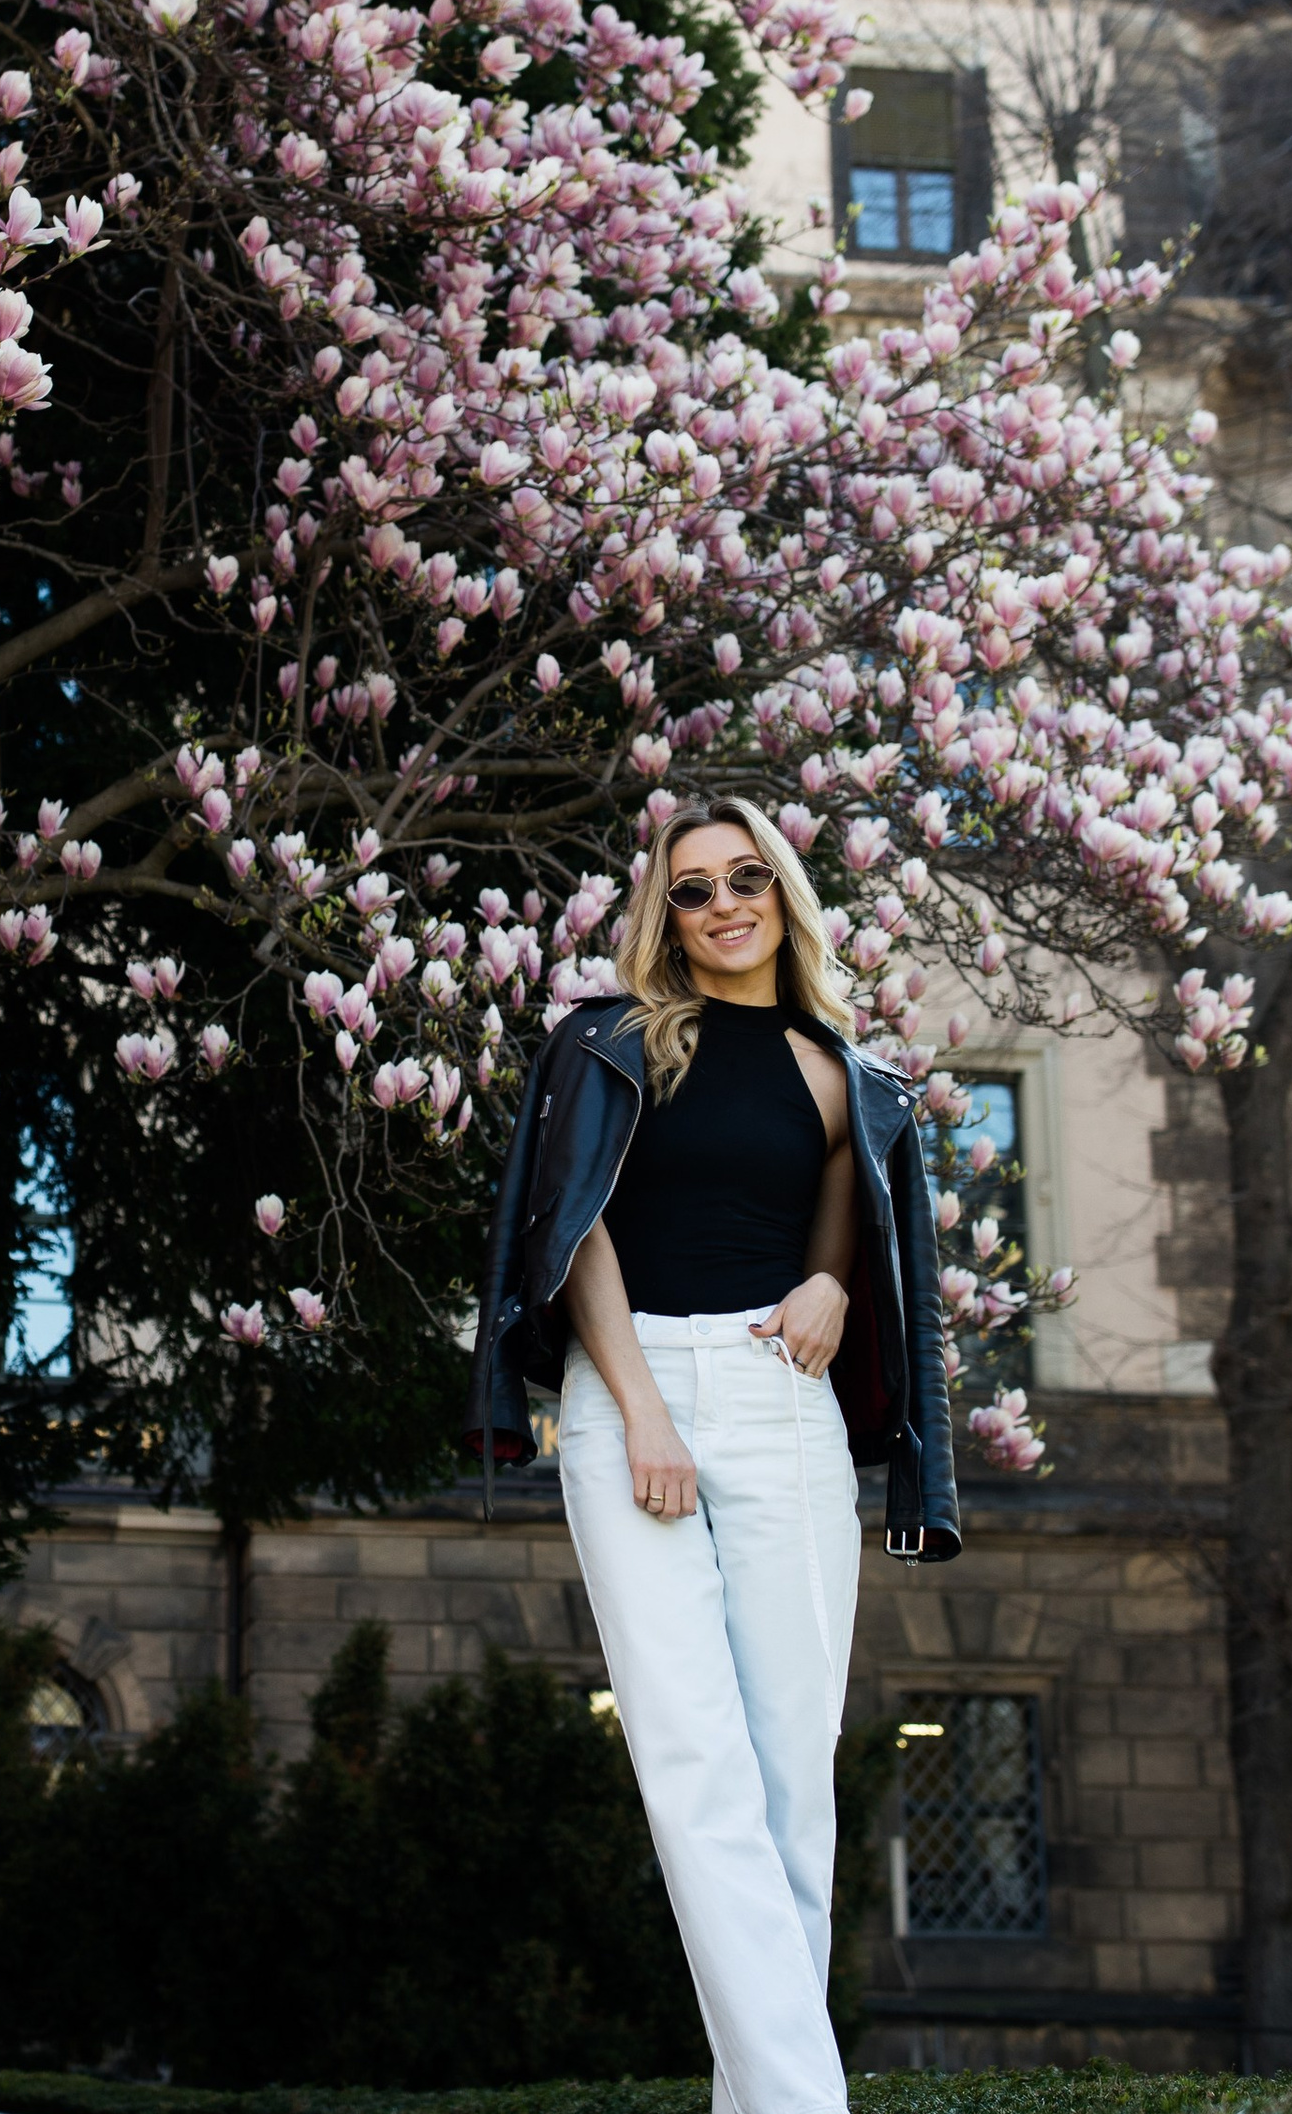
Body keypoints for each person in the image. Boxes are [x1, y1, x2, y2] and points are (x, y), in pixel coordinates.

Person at [464, 795, 958, 2114]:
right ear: (662, 915)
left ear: (783, 894)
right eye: (692, 888)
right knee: (694, 1765)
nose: (724, 903)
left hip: (783, 1404)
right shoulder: (610, 1045)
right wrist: (641, 1410)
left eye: (748, 878)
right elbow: (579, 1234)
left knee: (793, 1785)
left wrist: (835, 1288)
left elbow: (846, 1226)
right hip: (641, 1390)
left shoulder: (841, 1069)